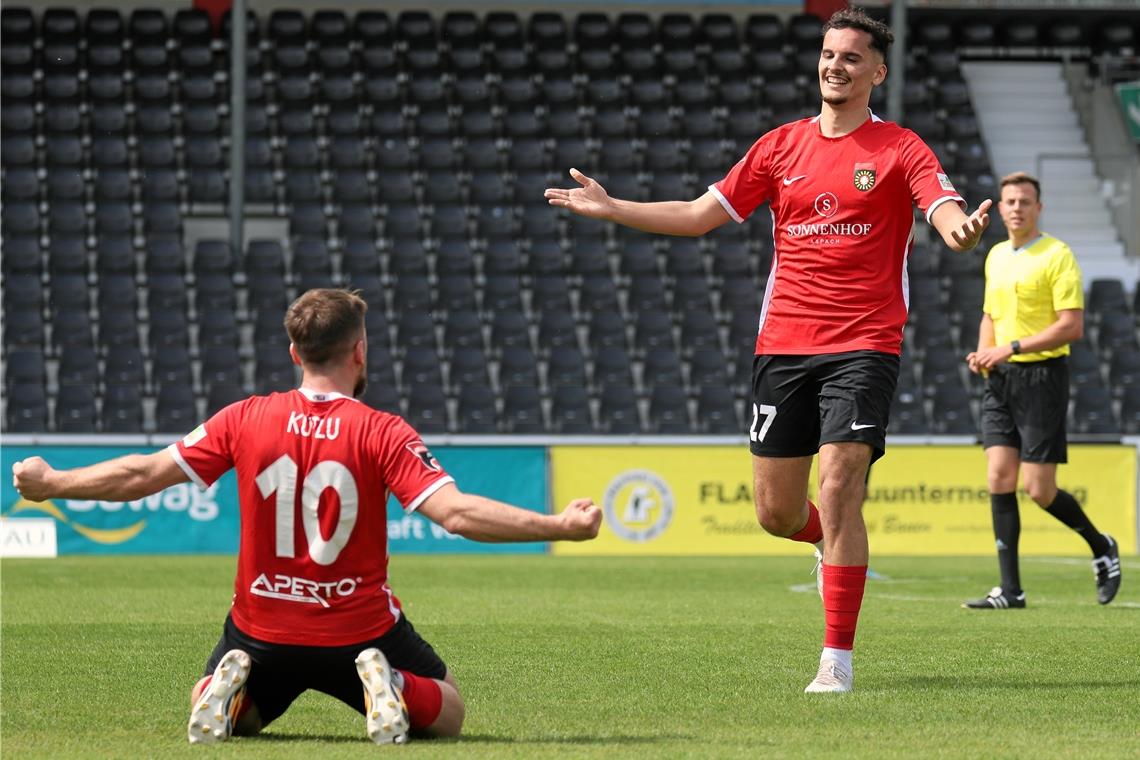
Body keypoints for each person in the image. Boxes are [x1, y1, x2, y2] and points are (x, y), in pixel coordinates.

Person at [546, 7, 991, 693]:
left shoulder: (900, 148)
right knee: (776, 513)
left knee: (841, 488)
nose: (834, 66)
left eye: (850, 57)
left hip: (864, 345)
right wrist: (615, 207)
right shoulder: (780, 147)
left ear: (877, 71)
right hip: (783, 346)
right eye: (828, 54)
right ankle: (818, 541)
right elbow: (700, 215)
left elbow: (942, 207)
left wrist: (960, 231)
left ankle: (835, 661)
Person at [11, 288, 602, 745]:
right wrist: (558, 525)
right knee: (448, 710)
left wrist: (54, 483)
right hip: (358, 629)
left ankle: (220, 692)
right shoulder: (383, 431)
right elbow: (455, 515)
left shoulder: (244, 418)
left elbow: (142, 476)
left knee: (243, 720)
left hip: (262, 628)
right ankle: (391, 684)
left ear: (294, 353)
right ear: (359, 350)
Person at [963, 172, 1121, 609]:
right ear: (1000, 205)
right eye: (1009, 200)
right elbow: (988, 315)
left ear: (1038, 208)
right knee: (998, 476)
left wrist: (1008, 348)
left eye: (1025, 201)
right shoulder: (994, 255)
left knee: (1038, 489)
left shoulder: (1057, 255)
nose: (1016, 208)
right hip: (1000, 380)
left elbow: (1071, 326)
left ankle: (1101, 545)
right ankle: (1010, 591)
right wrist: (983, 352)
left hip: (1042, 377)